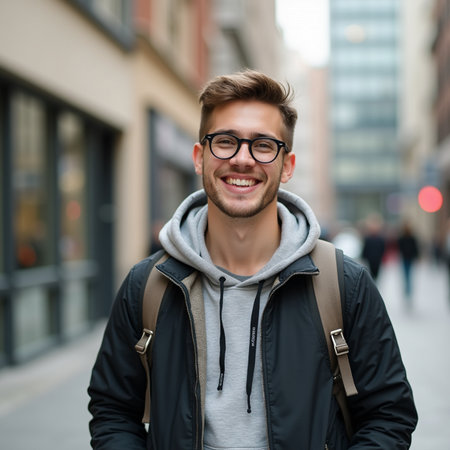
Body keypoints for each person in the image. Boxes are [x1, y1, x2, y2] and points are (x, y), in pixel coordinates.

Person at [88, 70, 417, 449]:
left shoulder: (344, 284)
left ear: (287, 165)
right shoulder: (147, 285)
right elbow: (113, 411)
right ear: (199, 157)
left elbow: (389, 415)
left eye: (263, 145)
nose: (242, 159)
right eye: (225, 141)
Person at [397, 222, 420, 303]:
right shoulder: (406, 238)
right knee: (408, 275)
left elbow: (415, 248)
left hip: (407, 258)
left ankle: (407, 290)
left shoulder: (406, 238)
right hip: (406, 258)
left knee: (407, 275)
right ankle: (408, 290)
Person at [361, 214, 386, 281]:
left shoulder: (380, 238)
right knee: (371, 275)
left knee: (376, 276)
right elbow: (365, 249)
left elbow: (382, 249)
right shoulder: (368, 238)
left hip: (377, 259)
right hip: (370, 260)